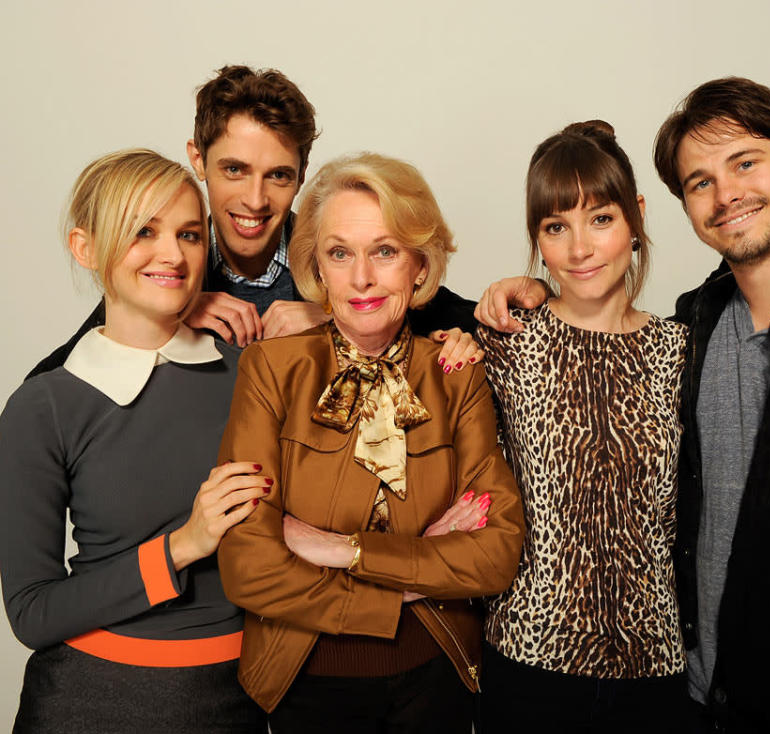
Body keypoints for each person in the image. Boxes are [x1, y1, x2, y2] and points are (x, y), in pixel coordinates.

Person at [479, 78, 770, 732]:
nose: (726, 192)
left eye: (745, 162)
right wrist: (528, 290)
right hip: (691, 703)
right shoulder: (694, 329)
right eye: (700, 181)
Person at [215, 152, 525, 732]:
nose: (361, 278)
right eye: (340, 253)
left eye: (384, 251)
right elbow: (248, 566)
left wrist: (342, 551)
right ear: (318, 268)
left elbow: (498, 550)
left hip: (437, 674)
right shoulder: (269, 370)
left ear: (419, 265)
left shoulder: (457, 371)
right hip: (302, 680)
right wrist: (403, 588)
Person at [0, 150, 269, 732]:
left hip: (237, 699)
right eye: (142, 231)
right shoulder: (43, 405)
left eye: (190, 234)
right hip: (91, 701)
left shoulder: (254, 377)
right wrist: (184, 545)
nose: (172, 254)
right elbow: (32, 612)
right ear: (86, 247)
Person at [27, 65, 479, 377]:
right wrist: (170, 311)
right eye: (234, 170)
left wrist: (336, 319)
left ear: (302, 175)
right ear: (198, 160)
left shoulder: (340, 262)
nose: (255, 200)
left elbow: (470, 320)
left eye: (278, 175)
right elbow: (52, 382)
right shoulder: (165, 270)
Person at [473, 121, 691, 733]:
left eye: (599, 219)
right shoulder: (508, 341)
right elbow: (395, 307)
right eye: (555, 227)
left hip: (656, 667)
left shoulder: (682, 350)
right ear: (537, 241)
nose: (579, 249)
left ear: (636, 218)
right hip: (529, 659)